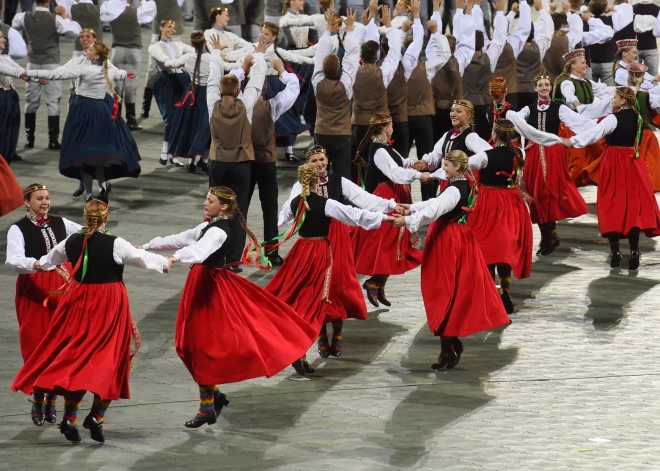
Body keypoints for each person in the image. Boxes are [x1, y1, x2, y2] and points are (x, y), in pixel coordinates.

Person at [140, 187, 317, 427]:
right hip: (201, 283)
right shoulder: (210, 226)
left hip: (210, 288)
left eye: (210, 200)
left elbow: (198, 250)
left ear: (223, 206)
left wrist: (175, 258)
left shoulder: (219, 232)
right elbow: (183, 237)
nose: (205, 203)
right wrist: (147, 246)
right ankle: (214, 397)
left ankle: (207, 408)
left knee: (202, 347)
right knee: (189, 344)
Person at [12, 199, 171, 443]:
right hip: (108, 304)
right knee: (111, 359)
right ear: (105, 218)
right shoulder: (115, 243)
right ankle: (96, 416)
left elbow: (47, 261)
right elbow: (141, 258)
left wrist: (38, 264)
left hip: (78, 301)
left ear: (85, 219)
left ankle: (70, 416)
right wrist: (165, 262)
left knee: (77, 357)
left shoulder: (72, 241)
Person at [266, 163, 391, 375]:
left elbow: (282, 219)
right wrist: (386, 217)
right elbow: (354, 215)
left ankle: (301, 350)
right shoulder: (325, 203)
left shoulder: (297, 201)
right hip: (321, 252)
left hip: (300, 251)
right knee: (318, 299)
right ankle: (308, 344)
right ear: (317, 181)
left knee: (298, 298)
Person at [391, 150, 510, 370]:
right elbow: (436, 203)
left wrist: (408, 221)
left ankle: (448, 347)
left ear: (457, 167)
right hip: (456, 237)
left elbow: (435, 210)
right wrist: (413, 207)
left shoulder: (455, 189)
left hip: (448, 241)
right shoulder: (461, 184)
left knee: (442, 292)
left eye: (446, 165)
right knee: (449, 291)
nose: (443, 168)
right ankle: (450, 343)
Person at [21, 42, 141, 204]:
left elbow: (57, 75)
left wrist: (30, 73)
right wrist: (125, 74)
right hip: (100, 111)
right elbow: (119, 73)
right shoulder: (105, 65)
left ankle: (90, 195)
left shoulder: (84, 68)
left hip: (83, 110)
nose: (87, 50)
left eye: (90, 50)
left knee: (82, 154)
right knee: (97, 154)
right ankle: (103, 186)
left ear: (96, 56)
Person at [5, 184, 81, 426]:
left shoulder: (62, 224)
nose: (45, 202)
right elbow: (13, 260)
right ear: (27, 202)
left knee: (61, 344)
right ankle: (38, 395)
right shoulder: (19, 229)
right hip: (35, 287)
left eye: (47, 198)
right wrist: (38, 265)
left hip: (64, 285)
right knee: (36, 342)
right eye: (39, 199)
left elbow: (84, 235)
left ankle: (51, 398)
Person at [562, 86, 660, 270]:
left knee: (611, 204)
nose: (612, 99)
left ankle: (615, 251)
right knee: (632, 206)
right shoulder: (637, 118)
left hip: (615, 162)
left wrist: (572, 142)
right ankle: (634, 250)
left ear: (623, 100)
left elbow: (593, 135)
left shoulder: (613, 118)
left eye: (615, 97)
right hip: (633, 162)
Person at [505, 75, 590, 256]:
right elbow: (511, 122)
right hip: (533, 154)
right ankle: (547, 235)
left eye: (547, 85)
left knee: (549, 192)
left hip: (552, 154)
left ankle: (549, 236)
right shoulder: (527, 110)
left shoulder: (559, 108)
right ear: (535, 89)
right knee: (536, 194)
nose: (544, 88)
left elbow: (579, 123)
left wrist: (584, 136)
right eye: (540, 85)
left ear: (550, 88)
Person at [459, 119, 533, 314]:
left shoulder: (485, 156)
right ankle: (505, 291)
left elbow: (465, 167)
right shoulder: (520, 152)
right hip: (511, 202)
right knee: (505, 248)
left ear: (495, 133)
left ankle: (491, 293)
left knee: (487, 247)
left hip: (489, 202)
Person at [352, 113, 427, 307]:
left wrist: (419, 163)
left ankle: (379, 285)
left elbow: (401, 163)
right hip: (387, 196)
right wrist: (418, 175)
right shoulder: (379, 150)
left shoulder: (385, 147)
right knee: (388, 241)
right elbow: (395, 173)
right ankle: (374, 282)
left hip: (394, 193)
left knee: (395, 242)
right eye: (391, 125)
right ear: (386, 128)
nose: (393, 129)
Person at [207, 36, 268, 272]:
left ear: (221, 90)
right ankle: (233, 260)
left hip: (218, 161)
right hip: (241, 163)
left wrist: (215, 52)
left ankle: (215, 254)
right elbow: (257, 81)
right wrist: (260, 54)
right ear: (239, 89)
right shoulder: (246, 105)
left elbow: (213, 78)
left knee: (216, 208)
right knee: (237, 209)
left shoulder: (213, 103)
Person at [247, 55, 300, 266]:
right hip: (267, 161)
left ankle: (231, 255)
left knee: (238, 208)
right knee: (269, 209)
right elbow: (294, 88)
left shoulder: (240, 106)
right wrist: (282, 71)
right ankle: (271, 253)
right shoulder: (272, 106)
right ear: (266, 89)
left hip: (245, 161)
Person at [11, 0, 81, 150]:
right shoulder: (55, 19)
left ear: (35, 2)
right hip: (51, 63)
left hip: (33, 61)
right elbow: (73, 33)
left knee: (31, 101)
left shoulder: (23, 16)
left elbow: (14, 26)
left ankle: (30, 139)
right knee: (53, 101)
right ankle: (53, 139)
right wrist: (64, 15)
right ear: (49, 1)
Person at [351, 5, 401, 185]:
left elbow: (351, 51)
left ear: (361, 57)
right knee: (378, 166)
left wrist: (363, 26)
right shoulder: (383, 73)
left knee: (359, 166)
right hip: (379, 127)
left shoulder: (353, 71)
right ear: (378, 55)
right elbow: (395, 53)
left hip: (358, 125)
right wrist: (388, 26)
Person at [553, 48, 613, 185]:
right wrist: (577, 105)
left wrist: (629, 90)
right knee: (577, 159)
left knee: (600, 148)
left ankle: (594, 175)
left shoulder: (588, 83)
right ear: (573, 65)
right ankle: (570, 182)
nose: (586, 65)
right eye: (583, 62)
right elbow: (570, 97)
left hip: (586, 124)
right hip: (571, 125)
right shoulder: (566, 82)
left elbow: (605, 90)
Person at [312, 10, 360, 180]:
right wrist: (349, 29)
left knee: (319, 175)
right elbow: (352, 58)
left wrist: (328, 30)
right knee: (342, 178)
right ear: (339, 68)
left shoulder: (317, 84)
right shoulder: (346, 86)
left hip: (322, 133)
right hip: (341, 136)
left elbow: (319, 58)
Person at [409, 17, 450, 200]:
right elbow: (444, 55)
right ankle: (428, 200)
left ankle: (402, 200)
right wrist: (436, 34)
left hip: (402, 119)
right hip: (424, 116)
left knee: (402, 162)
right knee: (428, 161)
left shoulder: (393, 67)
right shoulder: (426, 69)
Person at [101, 0, 158, 131]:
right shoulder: (136, 12)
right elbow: (151, 10)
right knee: (131, 85)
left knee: (117, 86)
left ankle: (116, 118)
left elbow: (104, 11)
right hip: (133, 51)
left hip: (117, 51)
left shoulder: (112, 12)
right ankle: (131, 120)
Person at [456, 0, 506, 141]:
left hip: (466, 104)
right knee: (484, 139)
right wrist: (500, 13)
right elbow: (499, 39)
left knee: (466, 139)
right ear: (483, 44)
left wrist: (467, 10)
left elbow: (460, 37)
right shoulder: (489, 58)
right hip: (485, 103)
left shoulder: (461, 58)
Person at [165, 32, 212, 173]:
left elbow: (169, 64)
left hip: (191, 95)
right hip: (207, 95)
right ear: (205, 44)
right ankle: (203, 160)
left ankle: (192, 161)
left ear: (192, 45)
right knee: (207, 128)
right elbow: (229, 66)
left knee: (192, 126)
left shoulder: (187, 57)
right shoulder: (211, 58)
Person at [149, 19, 194, 167]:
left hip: (182, 81)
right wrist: (184, 59)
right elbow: (165, 61)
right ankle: (164, 150)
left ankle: (174, 154)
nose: (171, 30)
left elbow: (196, 51)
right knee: (170, 117)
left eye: (173, 28)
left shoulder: (179, 45)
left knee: (181, 117)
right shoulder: (154, 47)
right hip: (166, 81)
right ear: (161, 28)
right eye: (168, 27)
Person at [142, 0, 185, 119]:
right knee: (152, 70)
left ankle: (178, 105)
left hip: (172, 33)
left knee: (176, 69)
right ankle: (146, 106)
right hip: (158, 32)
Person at [515, 0, 553, 111]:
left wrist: (512, 14)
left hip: (516, 89)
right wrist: (542, 11)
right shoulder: (539, 47)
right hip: (533, 89)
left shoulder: (513, 48)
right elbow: (547, 32)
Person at [588, 0, 635, 86]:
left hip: (591, 62)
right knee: (610, 94)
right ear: (605, 7)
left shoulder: (587, 21)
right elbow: (627, 9)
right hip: (608, 61)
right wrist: (611, 8)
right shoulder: (612, 20)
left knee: (590, 94)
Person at [0, 31, 25, 165]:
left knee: (11, 131)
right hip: (1, 97)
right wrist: (22, 74)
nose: (4, 40)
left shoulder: (5, 57)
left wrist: (37, 78)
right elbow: (5, 70)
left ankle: (6, 161)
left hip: (10, 96)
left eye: (3, 37)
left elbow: (19, 68)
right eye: (0, 37)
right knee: (2, 131)